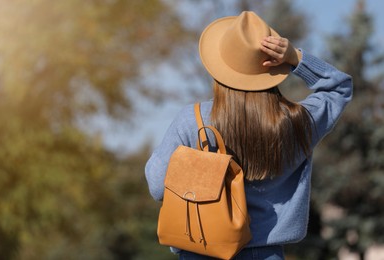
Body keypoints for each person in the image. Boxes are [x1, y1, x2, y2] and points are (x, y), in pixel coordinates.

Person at [145, 11, 352, 260]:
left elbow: (158, 186)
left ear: (219, 67)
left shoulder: (194, 120)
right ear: (272, 69)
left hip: (201, 247)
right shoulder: (298, 122)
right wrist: (295, 58)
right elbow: (339, 87)